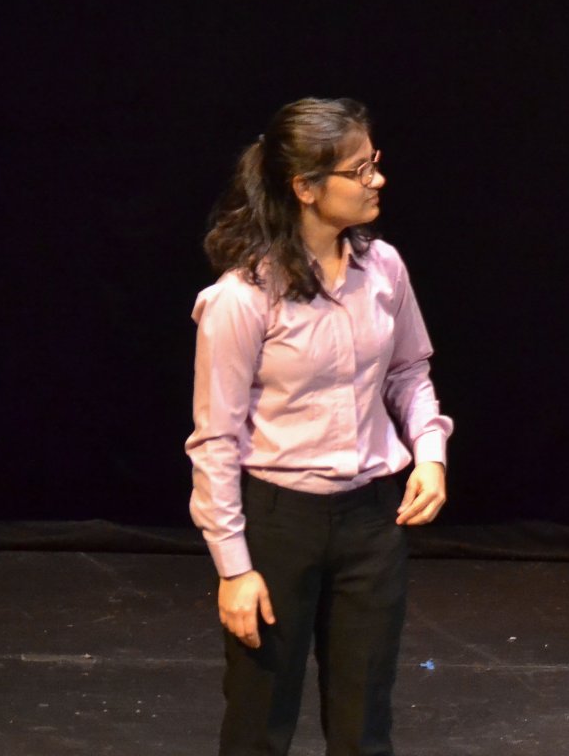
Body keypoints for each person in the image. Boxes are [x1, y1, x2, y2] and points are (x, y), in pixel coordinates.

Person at [186, 97, 452, 756]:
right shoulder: (242, 299)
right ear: (305, 188)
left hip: (370, 522)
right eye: (359, 171)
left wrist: (430, 451)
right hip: (279, 526)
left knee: (365, 725)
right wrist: (234, 569)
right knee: (259, 724)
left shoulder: (383, 269)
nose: (376, 181)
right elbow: (215, 442)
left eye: (375, 165)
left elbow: (409, 372)